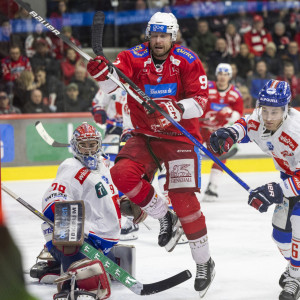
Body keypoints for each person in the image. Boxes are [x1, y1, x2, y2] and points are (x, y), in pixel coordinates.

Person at [87, 12, 215, 296]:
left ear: (173, 36)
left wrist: (177, 109)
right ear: (149, 35)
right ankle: (162, 215)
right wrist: (100, 73)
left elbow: (202, 101)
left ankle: (204, 262)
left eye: (164, 36)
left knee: (185, 203)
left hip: (180, 136)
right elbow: (111, 85)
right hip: (144, 135)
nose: (158, 41)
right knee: (120, 174)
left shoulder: (188, 60)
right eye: (154, 35)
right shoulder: (132, 57)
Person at [208, 79, 300, 300]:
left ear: (286, 109)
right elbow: (245, 125)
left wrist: (276, 190)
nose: (268, 117)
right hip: (290, 177)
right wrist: (229, 134)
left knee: (298, 223)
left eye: (275, 112)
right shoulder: (260, 119)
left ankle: (295, 277)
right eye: (264, 109)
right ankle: (296, 268)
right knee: (280, 236)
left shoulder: (297, 131)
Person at [40, 123, 120, 299]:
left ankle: (57, 267)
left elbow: (109, 193)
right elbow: (51, 200)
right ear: (76, 146)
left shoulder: (101, 164)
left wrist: (126, 202)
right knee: (90, 278)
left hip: (97, 238)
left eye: (93, 144)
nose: (89, 149)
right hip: (79, 239)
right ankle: (66, 269)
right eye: (84, 144)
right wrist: (72, 228)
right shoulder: (71, 167)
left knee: (109, 268)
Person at [199, 63, 243, 202]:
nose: (222, 77)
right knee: (191, 155)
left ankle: (212, 187)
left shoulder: (235, 94)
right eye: (220, 74)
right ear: (216, 74)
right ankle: (188, 186)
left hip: (218, 133)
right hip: (200, 129)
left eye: (226, 74)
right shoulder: (207, 87)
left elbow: (238, 115)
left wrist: (228, 114)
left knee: (221, 157)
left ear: (230, 76)